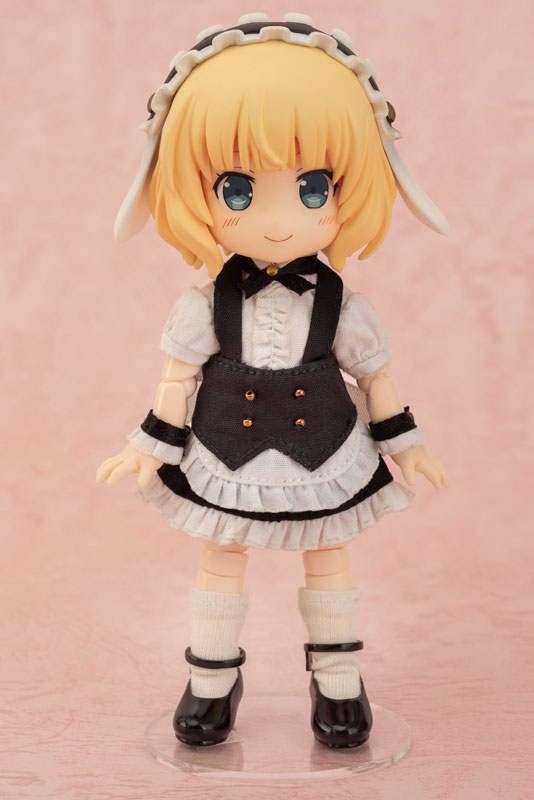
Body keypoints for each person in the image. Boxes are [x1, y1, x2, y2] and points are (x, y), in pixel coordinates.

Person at [96, 13, 450, 749]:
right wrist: (148, 447)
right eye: (238, 190)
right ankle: (211, 678)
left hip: (328, 452)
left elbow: (376, 377)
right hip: (224, 452)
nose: (281, 220)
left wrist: (405, 445)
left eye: (314, 188)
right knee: (221, 554)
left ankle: (338, 676)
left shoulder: (345, 307)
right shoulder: (203, 306)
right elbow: (176, 381)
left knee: (330, 553)